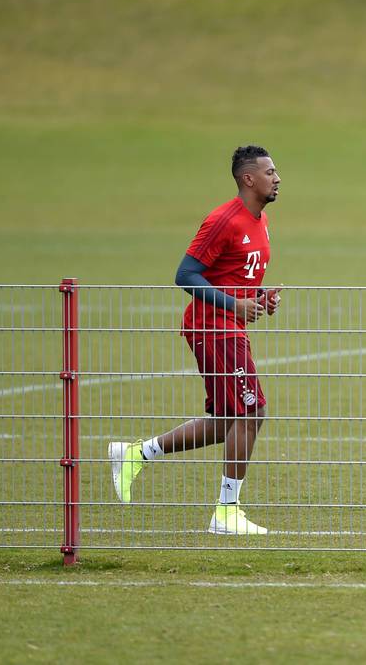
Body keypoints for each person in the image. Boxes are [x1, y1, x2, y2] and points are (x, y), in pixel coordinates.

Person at [109, 145, 283, 535]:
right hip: (214, 328)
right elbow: (186, 275)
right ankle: (226, 512)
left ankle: (136, 454)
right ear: (248, 178)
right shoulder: (224, 220)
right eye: (269, 172)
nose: (277, 178)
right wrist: (235, 305)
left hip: (230, 327)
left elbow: (233, 276)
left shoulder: (261, 220)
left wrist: (259, 298)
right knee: (251, 414)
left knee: (227, 421)